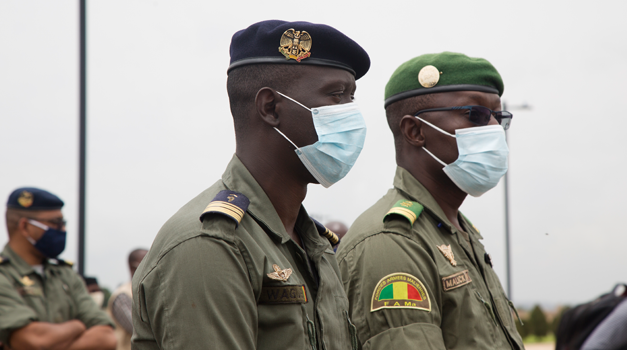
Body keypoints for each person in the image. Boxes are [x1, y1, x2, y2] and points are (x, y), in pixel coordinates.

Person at [131, 20, 370, 350]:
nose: (351, 114)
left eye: (351, 97)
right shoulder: (211, 244)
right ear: (271, 107)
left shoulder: (311, 243)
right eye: (336, 95)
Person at [336, 52, 525, 349]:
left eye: (498, 117)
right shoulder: (393, 241)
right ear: (415, 131)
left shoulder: (456, 230)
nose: (492, 128)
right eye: (475, 114)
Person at [0, 187, 116, 350]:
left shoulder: (65, 275)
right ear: (25, 226)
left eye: (63, 223)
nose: (62, 229)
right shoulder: (3, 275)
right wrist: (77, 326)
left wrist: (52, 342)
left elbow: (106, 337)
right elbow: (31, 341)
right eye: (56, 223)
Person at [107, 248, 147, 350]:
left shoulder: (145, 292)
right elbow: (138, 329)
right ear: (132, 267)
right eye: (146, 263)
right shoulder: (122, 296)